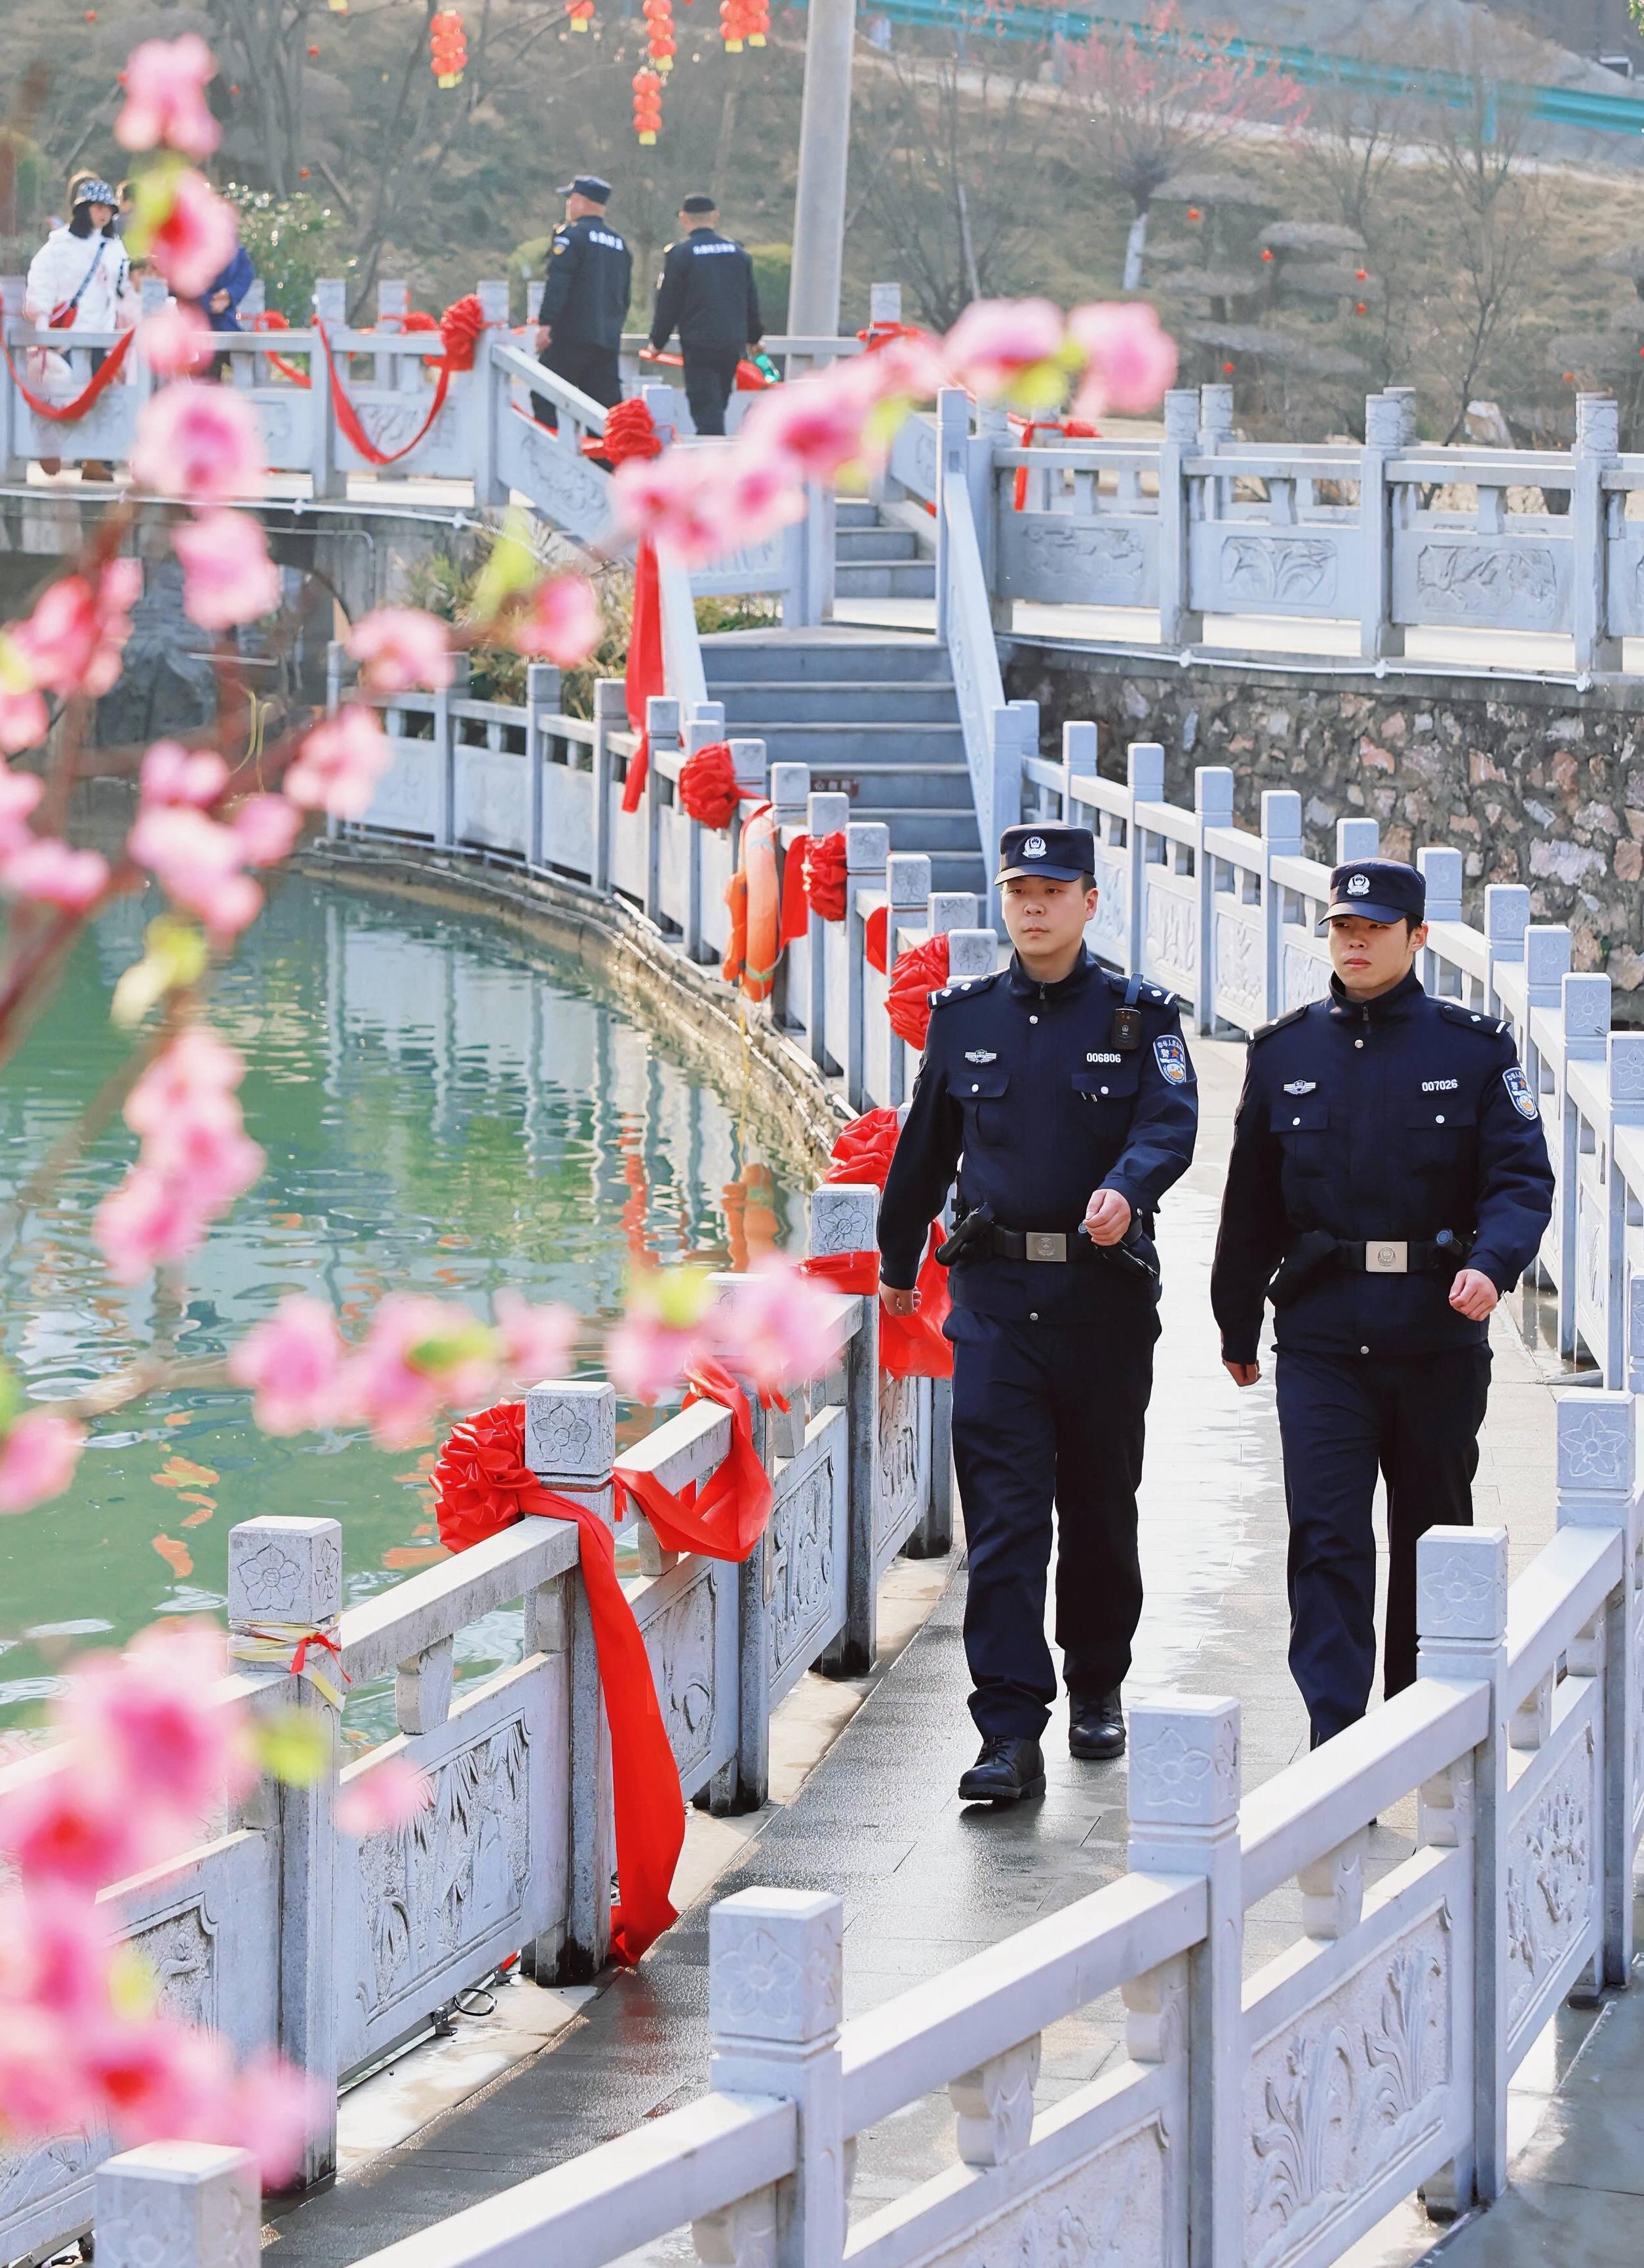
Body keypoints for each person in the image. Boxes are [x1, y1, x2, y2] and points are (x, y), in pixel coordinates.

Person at [876, 824, 1199, 1804]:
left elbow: (1170, 1123)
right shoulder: (965, 1018)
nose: (1035, 906)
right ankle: (1009, 1729)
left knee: (1099, 1507)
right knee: (1006, 1522)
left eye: (1054, 891)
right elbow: (924, 1151)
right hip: (997, 1309)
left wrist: (1127, 1188)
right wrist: (895, 1262)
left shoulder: (1140, 1017)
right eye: (1020, 890)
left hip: (1102, 1306)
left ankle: (1097, 1680)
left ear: (1089, 902)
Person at [1211, 858, 1555, 1749]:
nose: (1355, 942)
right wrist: (1236, 1319)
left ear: (1418, 937)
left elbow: (1521, 1180)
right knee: (1326, 1533)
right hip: (1322, 1335)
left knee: (1432, 1534)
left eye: (1374, 928)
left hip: (1436, 1332)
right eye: (1342, 928)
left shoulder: (1474, 1050)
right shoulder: (1285, 1053)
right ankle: (1338, 1738)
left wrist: (1494, 1265)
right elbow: (1251, 1201)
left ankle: (1417, 1722)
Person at [25, 175, 134, 479]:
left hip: (102, 337)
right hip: (67, 337)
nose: (104, 214)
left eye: (108, 209)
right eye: (98, 207)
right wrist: (43, 323)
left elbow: (124, 286)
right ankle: (56, 448)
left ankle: (93, 461)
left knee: (100, 395)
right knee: (64, 393)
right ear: (83, 209)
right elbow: (42, 284)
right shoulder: (59, 245)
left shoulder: (114, 246)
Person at [647, 193, 762, 438]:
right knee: (719, 401)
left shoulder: (681, 254)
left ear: (684, 218)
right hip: (732, 342)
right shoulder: (738, 254)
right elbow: (751, 301)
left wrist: (658, 342)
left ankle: (713, 453)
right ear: (715, 217)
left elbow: (669, 303)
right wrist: (754, 337)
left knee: (705, 407)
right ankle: (716, 447)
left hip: (699, 342)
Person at [531, 172, 631, 429]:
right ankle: (602, 455)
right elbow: (624, 296)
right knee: (603, 414)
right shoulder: (620, 244)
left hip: (571, 337)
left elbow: (558, 283)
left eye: (570, 199)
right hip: (606, 340)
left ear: (579, 201)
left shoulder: (572, 237)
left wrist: (546, 324)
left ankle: (553, 451)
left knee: (544, 394)